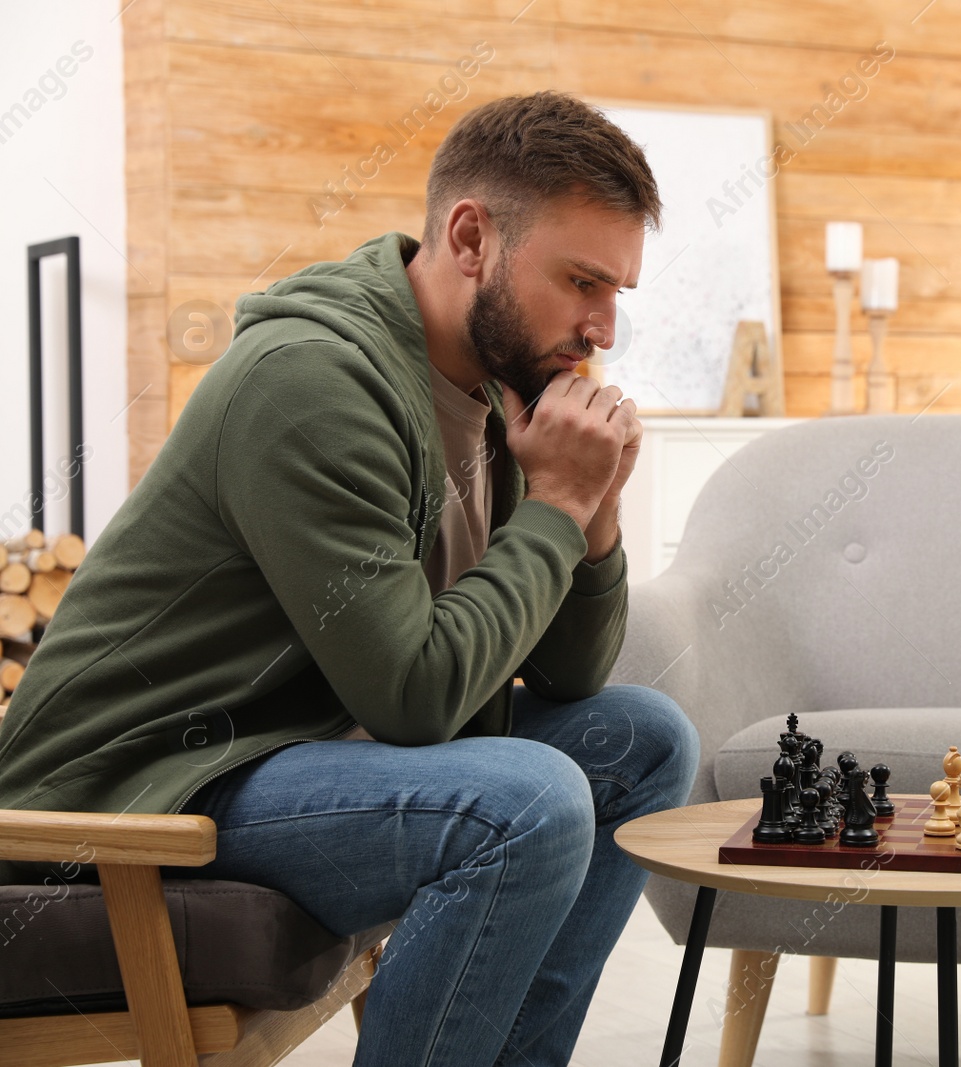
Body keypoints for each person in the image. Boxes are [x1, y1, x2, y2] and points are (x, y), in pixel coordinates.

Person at [0, 92, 699, 1066]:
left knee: (645, 738)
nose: (604, 327)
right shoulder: (314, 378)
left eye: (617, 289)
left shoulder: (501, 387)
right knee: (526, 797)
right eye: (583, 280)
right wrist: (554, 506)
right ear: (469, 238)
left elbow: (572, 677)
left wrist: (595, 511)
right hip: (141, 785)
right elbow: (413, 696)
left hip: (296, 747)